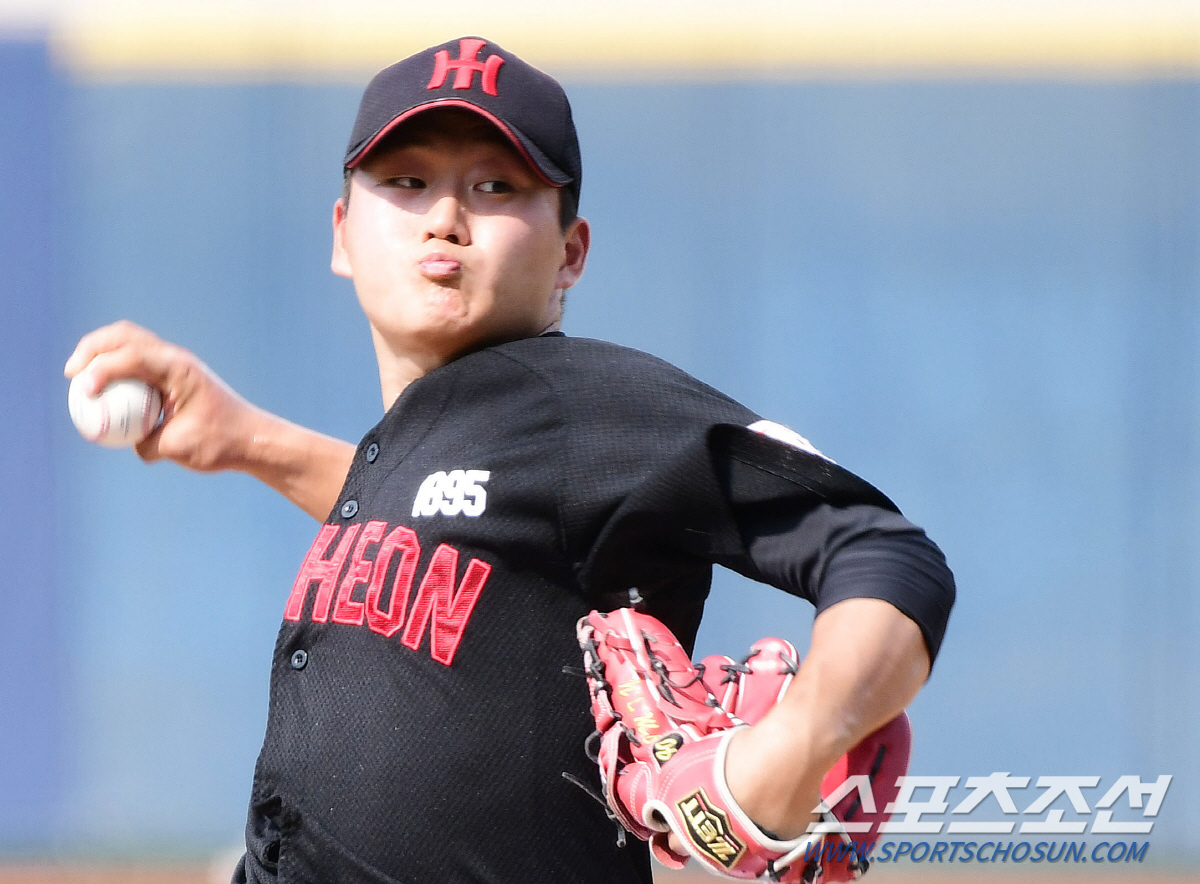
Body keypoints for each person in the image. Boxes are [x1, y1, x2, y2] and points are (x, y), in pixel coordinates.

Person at [65, 36, 954, 884]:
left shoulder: (593, 405)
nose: (445, 217)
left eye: (496, 186)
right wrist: (247, 440)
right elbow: (440, 520)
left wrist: (793, 746)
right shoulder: (426, 444)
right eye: (406, 182)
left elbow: (886, 555)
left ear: (570, 253)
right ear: (342, 235)